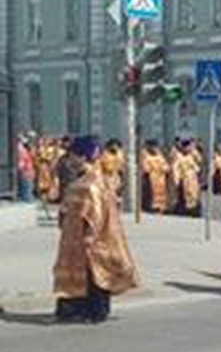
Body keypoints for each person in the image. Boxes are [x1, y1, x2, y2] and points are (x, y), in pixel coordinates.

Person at [52, 136, 139, 323]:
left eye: (73, 156)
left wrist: (88, 237)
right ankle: (93, 309)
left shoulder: (88, 183)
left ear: (83, 157)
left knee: (94, 274)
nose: (69, 160)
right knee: (95, 275)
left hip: (89, 239)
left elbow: (94, 214)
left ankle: (94, 311)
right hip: (92, 237)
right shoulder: (95, 178)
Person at [170, 139, 202, 216]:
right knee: (185, 195)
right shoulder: (179, 157)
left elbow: (198, 163)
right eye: (187, 147)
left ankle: (194, 210)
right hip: (184, 179)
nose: (189, 149)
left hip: (193, 179)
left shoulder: (192, 156)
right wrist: (176, 180)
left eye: (190, 147)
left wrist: (194, 150)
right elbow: (175, 168)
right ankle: (185, 210)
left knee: (194, 195)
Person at [140, 139, 170, 213]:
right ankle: (150, 206)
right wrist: (152, 169)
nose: (155, 149)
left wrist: (163, 169)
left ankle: (161, 206)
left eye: (156, 147)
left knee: (161, 193)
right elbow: (145, 168)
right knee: (150, 192)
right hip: (151, 177)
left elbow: (166, 166)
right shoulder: (145, 155)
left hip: (160, 178)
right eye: (153, 146)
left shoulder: (159, 155)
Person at [16, 134, 36, 203]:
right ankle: (27, 197)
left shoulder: (27, 151)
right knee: (27, 184)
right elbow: (21, 162)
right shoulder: (22, 150)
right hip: (26, 169)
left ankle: (28, 197)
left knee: (29, 184)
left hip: (29, 169)